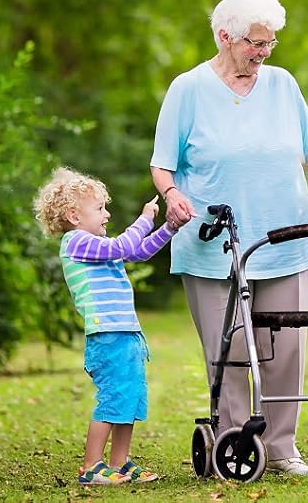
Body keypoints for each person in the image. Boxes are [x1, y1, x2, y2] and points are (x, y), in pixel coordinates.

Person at [149, 0, 308, 476]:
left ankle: (283, 446)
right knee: (227, 350)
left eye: (270, 43)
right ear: (226, 36)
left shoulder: (283, 84)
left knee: (286, 349)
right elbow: (163, 165)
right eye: (255, 43)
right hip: (213, 242)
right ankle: (235, 443)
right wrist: (174, 195)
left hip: (286, 236)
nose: (264, 53)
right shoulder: (188, 89)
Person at [34, 167, 188, 486]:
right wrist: (146, 219)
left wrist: (169, 229)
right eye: (100, 208)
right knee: (114, 397)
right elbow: (123, 247)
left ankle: (119, 463)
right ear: (74, 216)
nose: (107, 214)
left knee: (129, 397)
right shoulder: (76, 242)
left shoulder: (95, 247)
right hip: (108, 337)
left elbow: (138, 251)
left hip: (126, 334)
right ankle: (91, 465)